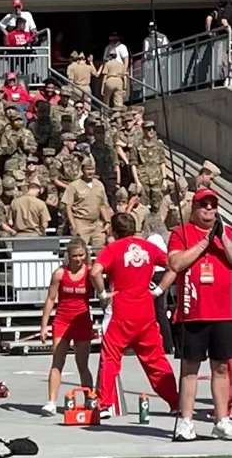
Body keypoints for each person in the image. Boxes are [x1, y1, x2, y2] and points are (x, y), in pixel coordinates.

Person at [90, 213, 180, 419]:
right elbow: (174, 266)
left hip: (121, 310)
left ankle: (104, 404)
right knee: (155, 359)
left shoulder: (112, 249)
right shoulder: (149, 247)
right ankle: (175, 401)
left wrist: (103, 294)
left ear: (114, 230)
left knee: (110, 358)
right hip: (145, 311)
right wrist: (158, 290)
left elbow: (95, 271)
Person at [166, 188, 232, 441]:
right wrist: (204, 243)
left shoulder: (226, 233)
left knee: (221, 368)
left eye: (212, 205)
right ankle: (186, 421)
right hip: (193, 311)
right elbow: (176, 264)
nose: (209, 209)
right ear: (194, 208)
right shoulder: (180, 232)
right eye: (204, 204)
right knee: (190, 368)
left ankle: (222, 419)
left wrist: (222, 240)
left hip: (223, 311)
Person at [37, 240, 94, 415]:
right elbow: (50, 299)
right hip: (62, 320)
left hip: (82, 320)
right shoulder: (60, 274)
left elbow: (103, 292)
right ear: (68, 256)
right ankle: (51, 402)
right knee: (57, 361)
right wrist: (44, 326)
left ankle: (90, 399)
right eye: (74, 256)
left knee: (82, 363)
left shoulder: (91, 273)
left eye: (81, 255)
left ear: (86, 254)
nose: (78, 259)